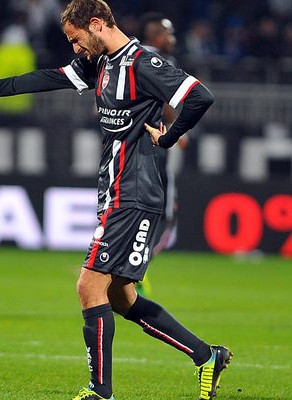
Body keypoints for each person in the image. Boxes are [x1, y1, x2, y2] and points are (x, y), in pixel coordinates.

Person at [0, 1, 232, 399]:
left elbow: (200, 96)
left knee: (88, 285)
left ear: (96, 25)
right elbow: (49, 78)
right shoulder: (101, 63)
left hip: (132, 193)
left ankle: (100, 391)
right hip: (116, 191)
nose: (75, 48)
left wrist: (167, 136)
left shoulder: (142, 63)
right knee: (121, 298)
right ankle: (206, 356)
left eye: (76, 39)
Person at [136, 12, 185, 297]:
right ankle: (135, 272)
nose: (172, 38)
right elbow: (167, 100)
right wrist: (180, 131)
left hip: (130, 147)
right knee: (166, 216)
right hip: (157, 144)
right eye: (168, 33)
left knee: (133, 210)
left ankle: (119, 271)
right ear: (155, 35)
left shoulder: (128, 56)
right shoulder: (163, 62)